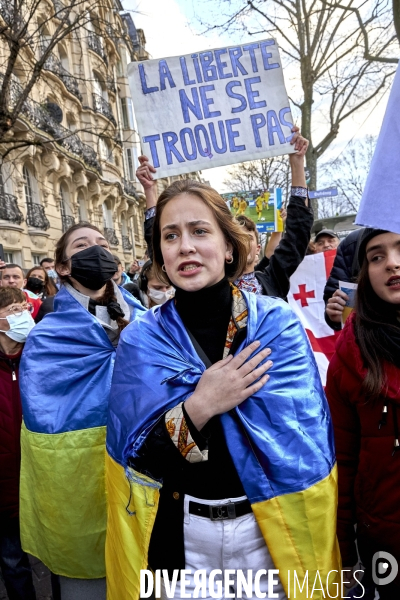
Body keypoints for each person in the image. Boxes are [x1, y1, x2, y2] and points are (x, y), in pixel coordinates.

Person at [105, 178, 341, 599]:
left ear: (228, 247)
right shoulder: (142, 339)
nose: (185, 246)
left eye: (200, 231)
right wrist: (200, 405)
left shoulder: (277, 325)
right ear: (160, 253)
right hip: (181, 537)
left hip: (269, 534)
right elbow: (139, 458)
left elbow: (302, 443)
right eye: (171, 235)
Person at [19, 223, 145, 600]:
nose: (96, 250)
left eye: (103, 244)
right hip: (79, 485)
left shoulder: (148, 322)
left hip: (144, 473)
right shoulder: (46, 337)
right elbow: (46, 418)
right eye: (82, 245)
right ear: (62, 267)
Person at [326, 228, 400, 599]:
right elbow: (342, 460)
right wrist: (342, 553)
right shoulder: (348, 358)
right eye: (376, 256)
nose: (392, 264)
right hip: (385, 540)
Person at [234, 130, 313, 299]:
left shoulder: (272, 279)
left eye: (247, 238)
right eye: (234, 238)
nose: (241, 243)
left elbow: (298, 230)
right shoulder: (209, 291)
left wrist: (297, 163)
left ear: (257, 249)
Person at [0, 287, 36, 600]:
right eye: (13, 310)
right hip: (1, 480)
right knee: (10, 558)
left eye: (24, 308)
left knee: (19, 560)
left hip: (31, 478)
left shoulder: (37, 358)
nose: (23, 316)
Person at [324, 228, 366, 330]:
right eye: (376, 258)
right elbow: (334, 297)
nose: (392, 264)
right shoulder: (352, 243)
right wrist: (335, 312)